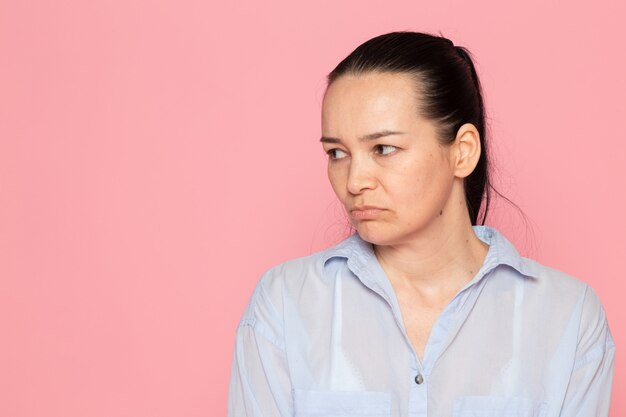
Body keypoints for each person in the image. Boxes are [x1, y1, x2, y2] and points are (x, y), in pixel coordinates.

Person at [227, 32, 615, 417]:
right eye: (337, 153)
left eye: (384, 148)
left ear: (462, 152)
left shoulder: (568, 317)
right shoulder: (284, 305)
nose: (354, 180)